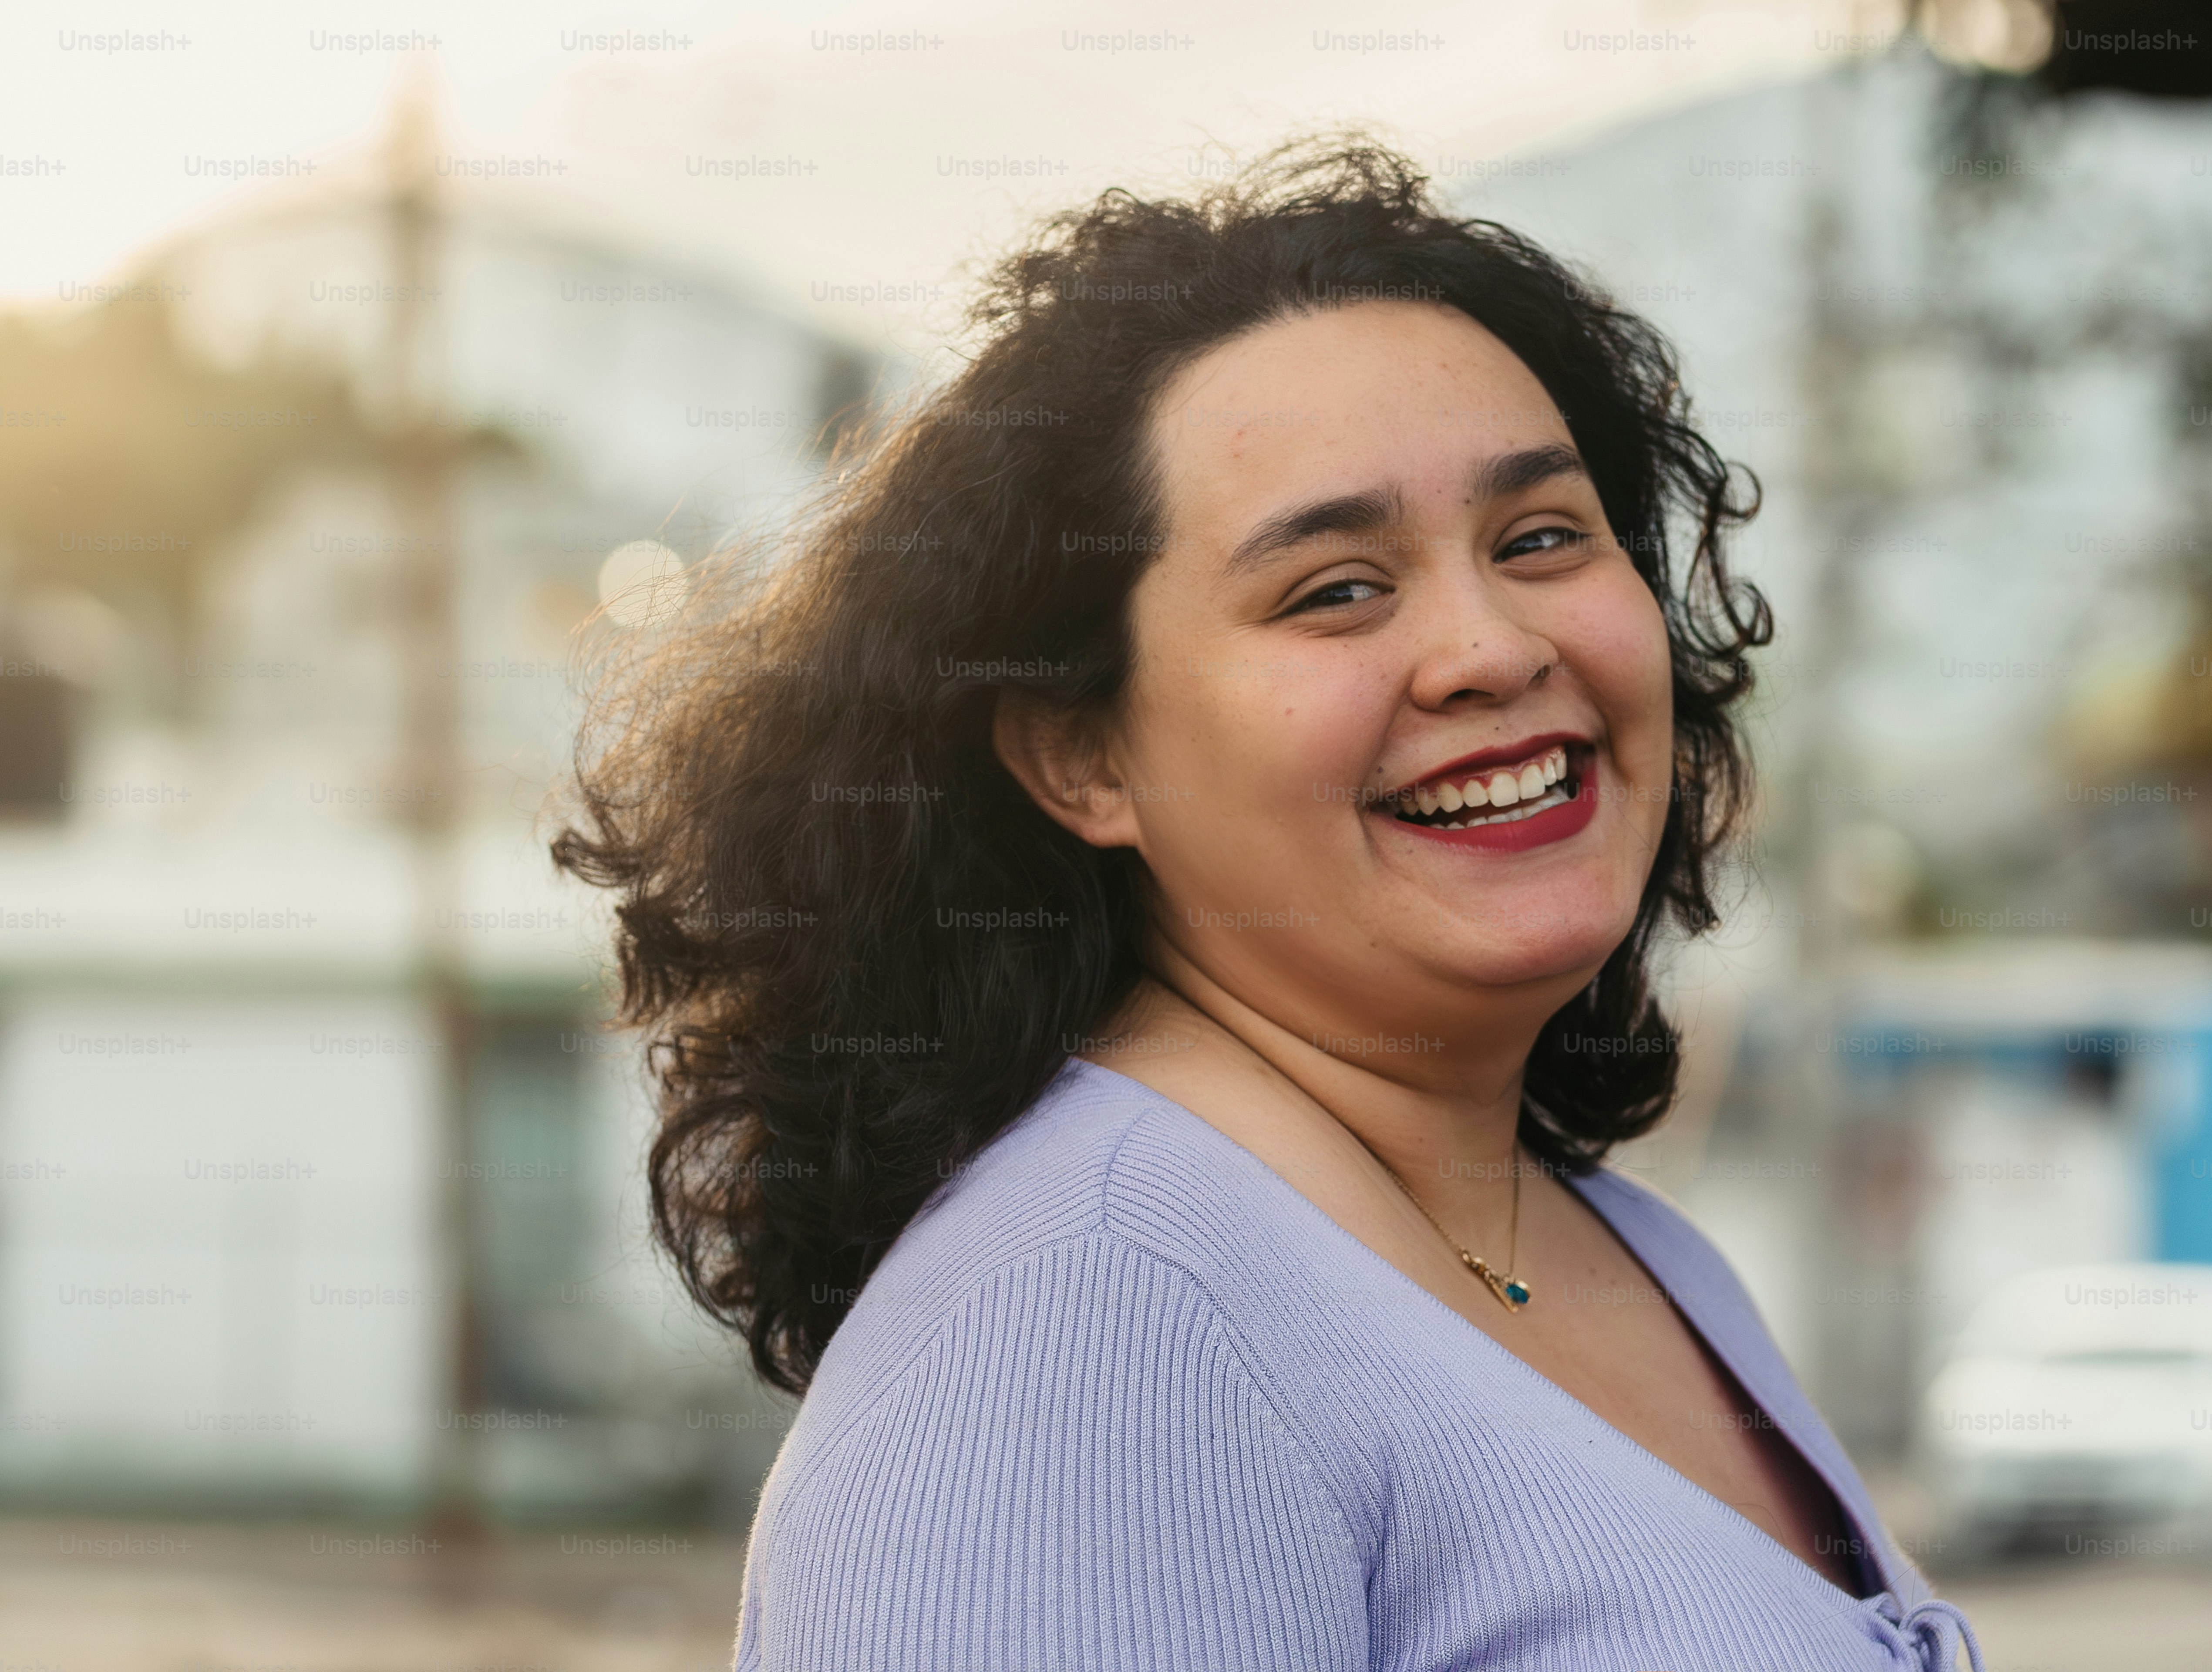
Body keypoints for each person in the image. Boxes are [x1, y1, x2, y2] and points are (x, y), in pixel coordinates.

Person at [555, 138, 1984, 1672]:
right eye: (1335, 590)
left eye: (1543, 538)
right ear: (1081, 754)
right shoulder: (1082, 1333)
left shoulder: (1625, 1242)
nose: (1491, 648)